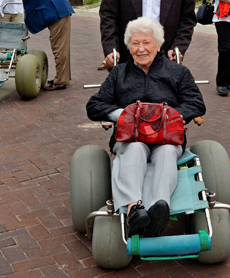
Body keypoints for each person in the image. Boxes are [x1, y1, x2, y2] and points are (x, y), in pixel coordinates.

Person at [87, 17, 206, 237]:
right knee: (134, 148)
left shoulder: (177, 72)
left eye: (147, 42)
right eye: (135, 43)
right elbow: (94, 106)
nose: (141, 49)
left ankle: (160, 207)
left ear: (158, 45)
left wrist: (170, 116)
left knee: (167, 152)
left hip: (167, 138)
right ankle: (135, 209)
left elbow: (197, 104)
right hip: (130, 138)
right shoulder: (118, 74)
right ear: (128, 47)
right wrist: (124, 114)